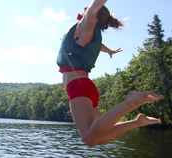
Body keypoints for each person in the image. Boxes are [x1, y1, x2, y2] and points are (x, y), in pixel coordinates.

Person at [56, 0, 164, 147]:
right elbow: (97, 45)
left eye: (88, 9)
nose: (84, 9)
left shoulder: (86, 26)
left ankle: (131, 103)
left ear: (94, 16)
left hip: (78, 87)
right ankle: (138, 122)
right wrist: (109, 51)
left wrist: (94, 7)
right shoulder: (87, 33)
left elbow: (95, 5)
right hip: (86, 88)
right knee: (102, 137)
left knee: (89, 139)